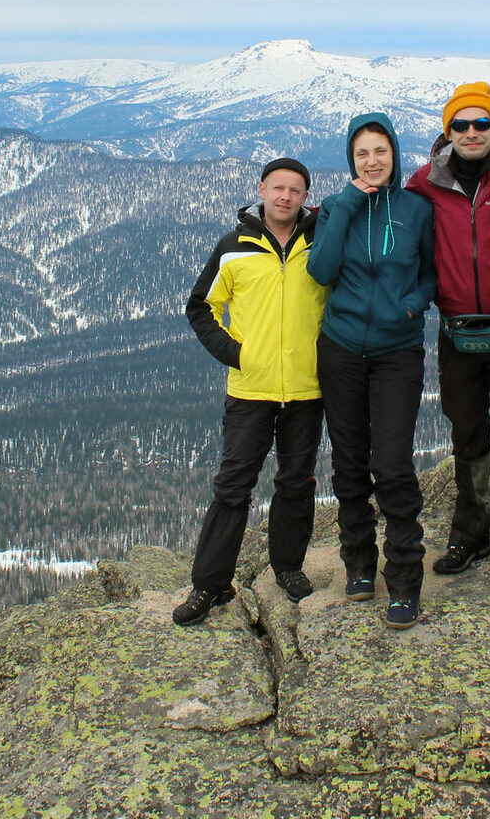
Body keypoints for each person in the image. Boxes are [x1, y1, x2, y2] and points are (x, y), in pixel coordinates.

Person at [176, 157, 329, 627]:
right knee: (233, 487)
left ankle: (287, 568)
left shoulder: (320, 242)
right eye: (278, 188)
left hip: (307, 387)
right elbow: (201, 306)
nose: (285, 197)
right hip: (250, 388)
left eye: (295, 190)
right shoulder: (233, 247)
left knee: (296, 483)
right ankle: (209, 584)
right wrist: (235, 353)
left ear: (306, 197)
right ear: (261, 189)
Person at [405, 82, 490, 590]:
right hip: (456, 329)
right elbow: (394, 223)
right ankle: (470, 532)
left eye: (481, 123)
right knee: (467, 434)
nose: (470, 132)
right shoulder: (425, 185)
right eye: (460, 124)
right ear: (447, 132)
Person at [308, 113, 437, 630]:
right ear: (350, 160)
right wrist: (346, 206)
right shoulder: (338, 207)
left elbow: (430, 272)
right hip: (340, 348)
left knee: (393, 463)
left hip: (396, 350)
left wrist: (410, 306)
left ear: (394, 154)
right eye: (362, 153)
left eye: (380, 151)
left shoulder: (416, 209)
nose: (372, 161)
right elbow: (321, 269)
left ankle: (404, 580)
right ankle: (359, 565)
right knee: (349, 462)